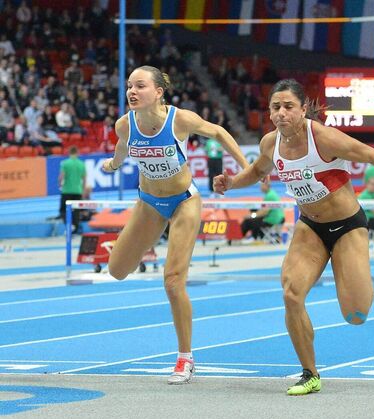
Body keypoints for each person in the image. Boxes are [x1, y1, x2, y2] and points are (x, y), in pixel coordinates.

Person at [213, 78, 374, 396]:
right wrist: (231, 183)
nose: (281, 113)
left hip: (347, 226)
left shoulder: (324, 138)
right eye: (276, 107)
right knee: (291, 294)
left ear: (303, 110)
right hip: (310, 227)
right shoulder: (270, 144)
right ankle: (310, 373)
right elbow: (258, 171)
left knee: (355, 314)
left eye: (288, 106)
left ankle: (358, 279)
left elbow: (371, 155)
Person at [100, 65, 249, 385]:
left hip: (184, 202)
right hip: (149, 203)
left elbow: (220, 132)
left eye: (140, 86)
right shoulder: (124, 124)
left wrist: (248, 169)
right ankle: (133, 243)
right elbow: (123, 147)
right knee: (116, 270)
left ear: (158, 92)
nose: (132, 91)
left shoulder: (180, 119)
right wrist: (114, 164)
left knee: (172, 281)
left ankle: (185, 357)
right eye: (129, 86)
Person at [239, 177, 285, 242]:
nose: (260, 188)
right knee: (253, 214)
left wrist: (252, 215)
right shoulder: (272, 193)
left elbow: (264, 212)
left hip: (272, 219)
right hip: (276, 217)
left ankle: (248, 238)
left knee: (248, 221)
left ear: (265, 186)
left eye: (261, 185)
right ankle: (253, 236)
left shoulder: (270, 196)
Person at [57, 146, 86, 233]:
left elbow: (61, 176)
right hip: (78, 191)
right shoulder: (81, 164)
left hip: (66, 191)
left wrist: (60, 185)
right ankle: (75, 228)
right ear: (77, 153)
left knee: (63, 210)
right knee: (76, 211)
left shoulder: (65, 163)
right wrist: (83, 191)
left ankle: (69, 225)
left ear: (69, 153)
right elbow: (84, 179)